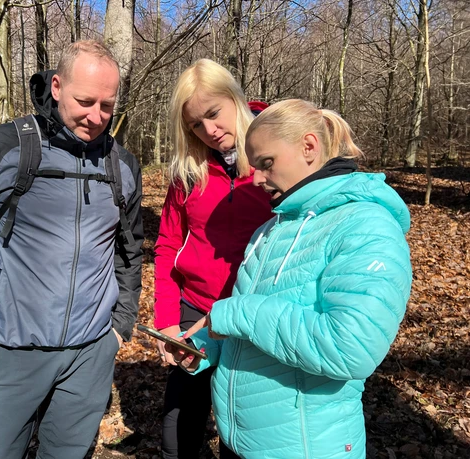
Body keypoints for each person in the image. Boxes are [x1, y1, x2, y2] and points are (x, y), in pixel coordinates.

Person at [0, 40, 143, 459]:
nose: (95, 116)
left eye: (107, 105)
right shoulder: (2, 147)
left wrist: (119, 326)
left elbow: (129, 249)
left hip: (90, 353)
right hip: (10, 351)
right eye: (85, 101)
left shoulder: (122, 165)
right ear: (58, 86)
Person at [172, 98, 413, 458]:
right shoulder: (270, 230)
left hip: (306, 446)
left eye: (266, 164)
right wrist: (203, 348)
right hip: (240, 442)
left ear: (309, 147)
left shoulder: (367, 227)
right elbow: (251, 332)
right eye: (254, 167)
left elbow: (350, 348)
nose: (256, 179)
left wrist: (235, 313)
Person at [153, 58, 273, 459]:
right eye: (194, 125)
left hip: (254, 316)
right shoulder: (188, 171)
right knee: (178, 430)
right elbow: (168, 244)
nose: (209, 131)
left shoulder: (274, 154)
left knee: (241, 431)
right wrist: (168, 320)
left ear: (234, 98)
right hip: (196, 313)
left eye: (213, 114)